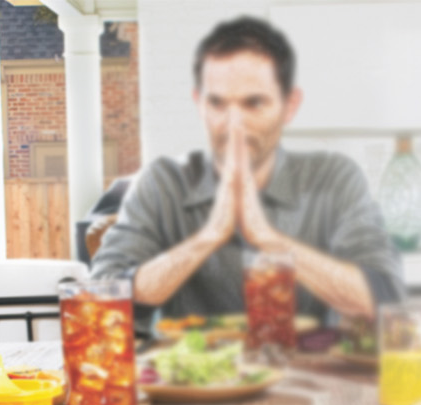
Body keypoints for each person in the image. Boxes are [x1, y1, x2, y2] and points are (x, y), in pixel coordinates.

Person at [89, 16, 405, 325]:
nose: (234, 123)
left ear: (289, 105)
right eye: (218, 104)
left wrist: (268, 238)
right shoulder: (163, 181)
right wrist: (208, 237)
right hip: (196, 375)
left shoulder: (334, 177)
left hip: (306, 374)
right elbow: (102, 292)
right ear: (199, 104)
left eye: (253, 103)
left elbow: (383, 298)